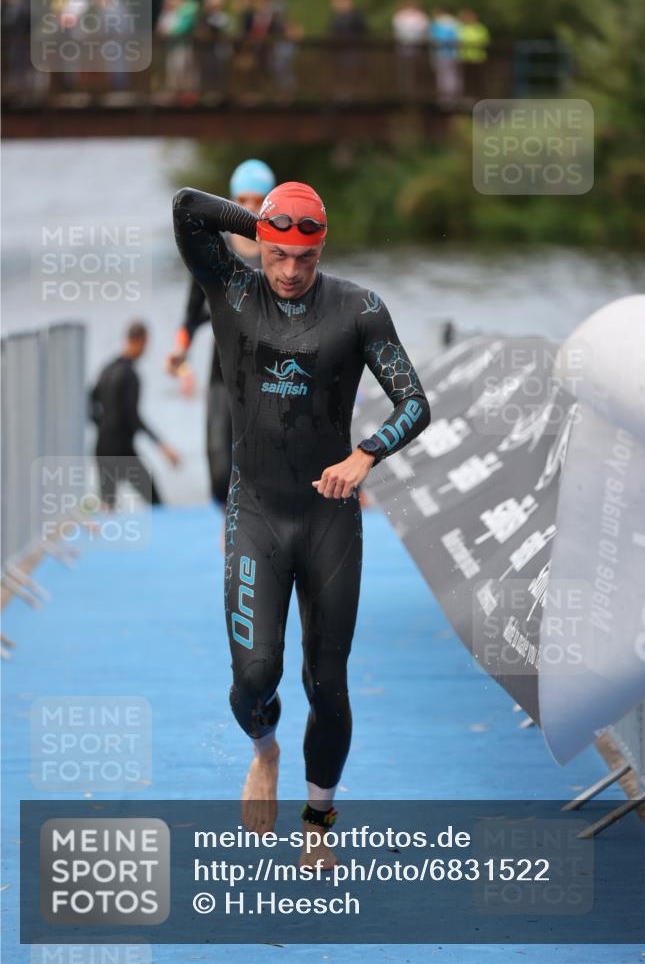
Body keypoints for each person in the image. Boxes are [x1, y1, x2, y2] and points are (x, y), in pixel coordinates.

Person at [172, 181, 430, 868]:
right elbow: (186, 208)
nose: (289, 272)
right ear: (262, 246)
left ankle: (319, 815)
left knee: (328, 682)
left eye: (305, 258)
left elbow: (414, 404)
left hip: (327, 518)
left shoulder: (359, 309)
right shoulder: (230, 289)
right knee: (256, 674)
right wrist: (255, 220)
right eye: (278, 255)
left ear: (323, 248)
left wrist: (365, 455)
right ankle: (265, 751)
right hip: (255, 511)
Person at [165, 159, 276, 510]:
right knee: (217, 462)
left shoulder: (280, 254)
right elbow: (193, 311)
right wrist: (180, 351)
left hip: (267, 371)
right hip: (222, 370)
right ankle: (228, 517)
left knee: (263, 459)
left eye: (258, 201)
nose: (249, 209)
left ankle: (250, 524)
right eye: (242, 201)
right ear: (230, 202)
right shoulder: (216, 250)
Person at [90, 322, 180, 508]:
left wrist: (102, 425)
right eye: (146, 344)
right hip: (122, 450)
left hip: (102, 446)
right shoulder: (130, 375)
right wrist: (162, 446)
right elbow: (133, 418)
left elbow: (89, 401)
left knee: (107, 505)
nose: (145, 350)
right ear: (140, 341)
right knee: (156, 503)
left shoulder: (107, 369)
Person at [392, 0, 429, 98]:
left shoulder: (421, 16)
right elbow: (399, 28)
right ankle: (405, 90)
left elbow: (423, 29)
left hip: (418, 47)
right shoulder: (400, 15)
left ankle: (417, 89)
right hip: (403, 47)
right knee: (404, 70)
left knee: (417, 69)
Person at [430, 8, 461, 103]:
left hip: (440, 53)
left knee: (442, 76)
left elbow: (433, 38)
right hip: (454, 53)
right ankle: (454, 97)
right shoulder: (455, 23)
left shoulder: (437, 24)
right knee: (453, 75)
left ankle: (445, 99)